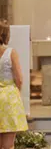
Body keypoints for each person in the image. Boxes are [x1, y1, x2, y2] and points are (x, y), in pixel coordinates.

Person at [0, 20, 28, 148]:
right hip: (8, 97)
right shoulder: (10, 53)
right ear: (6, 35)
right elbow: (19, 79)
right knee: (8, 145)